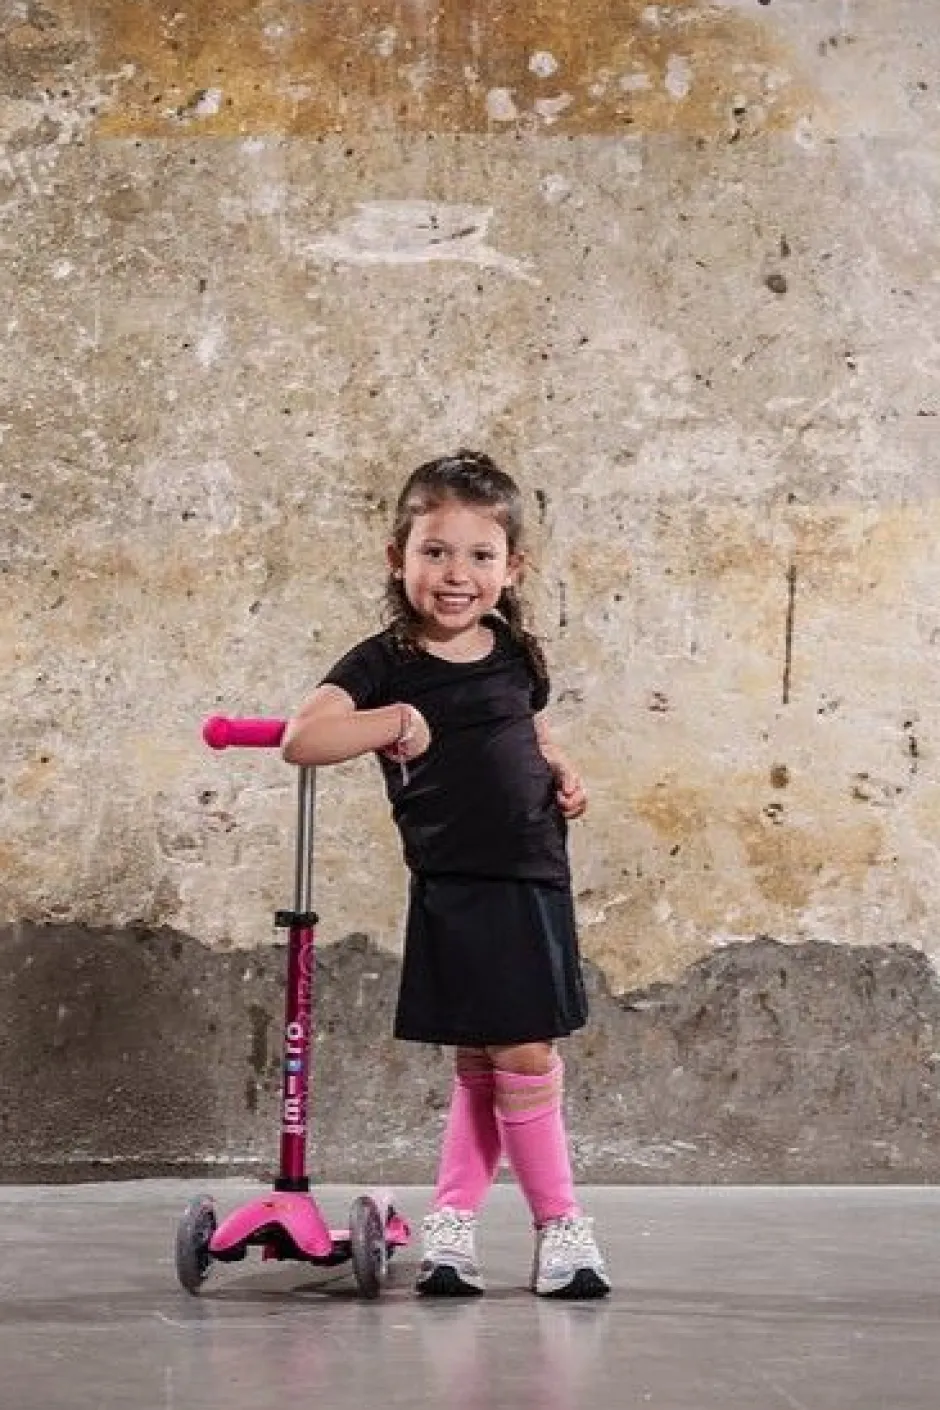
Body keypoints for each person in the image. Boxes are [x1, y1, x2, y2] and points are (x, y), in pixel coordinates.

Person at [281, 449, 611, 1300]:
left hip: (531, 876)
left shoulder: (517, 652)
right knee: (492, 1056)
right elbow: (303, 739)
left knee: (512, 1052)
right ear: (399, 557)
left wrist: (561, 769)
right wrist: (392, 719)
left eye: (479, 555)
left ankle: (527, 1224)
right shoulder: (384, 662)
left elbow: (527, 731)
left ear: (512, 566)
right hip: (453, 882)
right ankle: (508, 1222)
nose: (457, 574)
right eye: (435, 551)